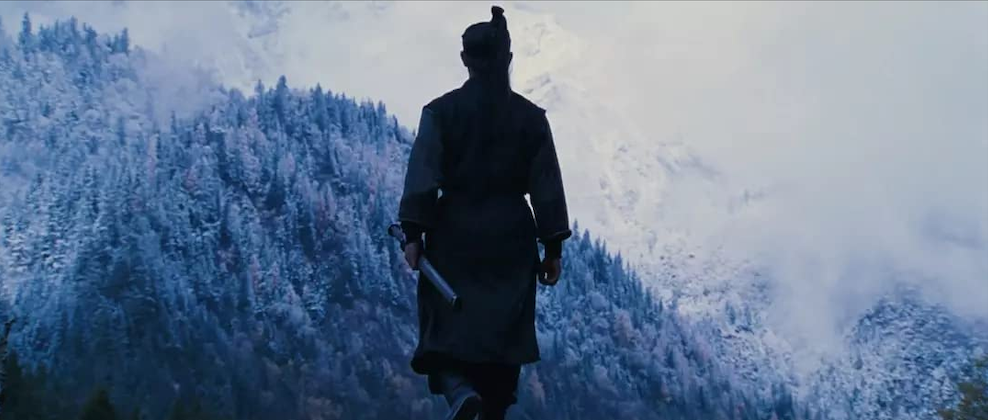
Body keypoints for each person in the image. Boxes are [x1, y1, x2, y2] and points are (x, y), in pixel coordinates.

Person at [397, 5, 571, 420]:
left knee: (444, 326)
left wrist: (413, 234)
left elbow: (423, 174)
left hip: (454, 234)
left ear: (465, 59)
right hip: (511, 239)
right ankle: (489, 410)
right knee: (503, 337)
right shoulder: (531, 119)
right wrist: (552, 250)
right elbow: (546, 187)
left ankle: (459, 391)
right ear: (508, 59)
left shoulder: (441, 113)